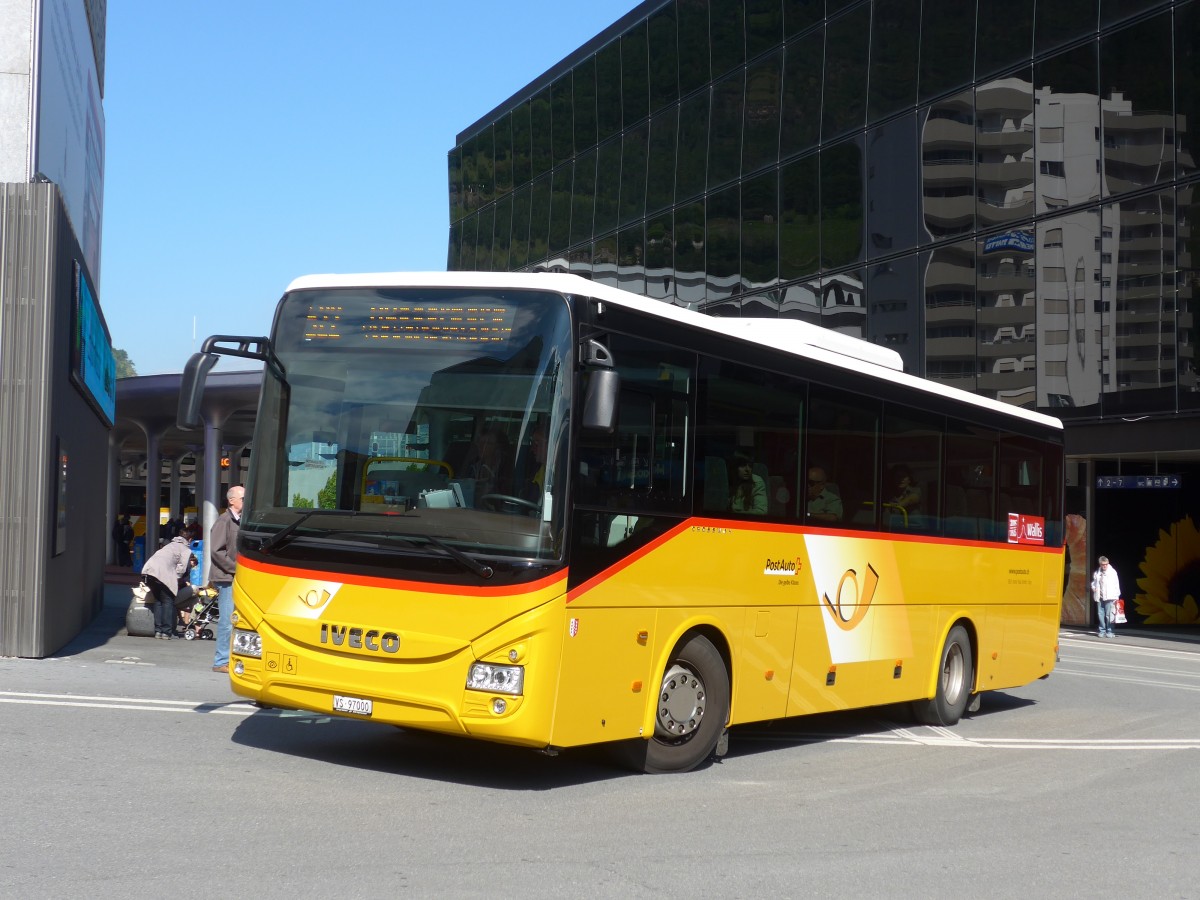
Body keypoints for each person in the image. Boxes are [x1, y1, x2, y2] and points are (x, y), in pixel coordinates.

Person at [210, 484, 243, 673]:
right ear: (232, 500)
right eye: (243, 499)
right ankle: (221, 661)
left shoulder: (237, 521)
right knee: (227, 619)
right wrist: (236, 568)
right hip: (226, 576)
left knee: (234, 619)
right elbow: (217, 551)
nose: (245, 503)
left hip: (233, 575)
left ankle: (228, 658)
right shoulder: (224, 521)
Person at [141, 534, 197, 639]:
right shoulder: (185, 549)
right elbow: (182, 568)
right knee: (168, 600)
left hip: (148, 572)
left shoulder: (169, 545)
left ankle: (158, 631)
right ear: (189, 540)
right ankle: (167, 632)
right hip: (162, 574)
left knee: (158, 600)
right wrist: (176, 579)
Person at [1091, 555, 1121, 638]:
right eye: (1103, 564)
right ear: (1100, 564)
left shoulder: (1112, 572)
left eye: (1106, 564)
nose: (1105, 566)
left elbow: (1116, 585)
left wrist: (1117, 597)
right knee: (1100, 614)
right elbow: (1094, 583)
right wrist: (1094, 588)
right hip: (1100, 596)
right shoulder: (1097, 572)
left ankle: (1110, 631)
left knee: (1109, 615)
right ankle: (1102, 630)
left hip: (1110, 596)